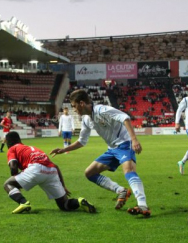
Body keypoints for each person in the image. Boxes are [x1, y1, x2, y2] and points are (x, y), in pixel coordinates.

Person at [50, 89, 150, 217]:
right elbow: (82, 141)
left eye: (74, 106)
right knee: (89, 173)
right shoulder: (86, 119)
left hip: (125, 143)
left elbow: (125, 118)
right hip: (112, 149)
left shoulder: (102, 110)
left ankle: (142, 205)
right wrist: (63, 149)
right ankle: (121, 190)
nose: (74, 110)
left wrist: (134, 139)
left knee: (129, 171)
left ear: (81, 103)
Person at [3, 131, 96, 214]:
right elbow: (55, 166)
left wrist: (18, 181)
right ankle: (79, 201)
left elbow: (13, 168)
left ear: (7, 142)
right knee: (65, 205)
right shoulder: (32, 148)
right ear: (19, 140)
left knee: (8, 184)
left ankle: (23, 203)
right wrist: (63, 186)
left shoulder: (12, 149)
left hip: (35, 169)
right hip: (51, 172)